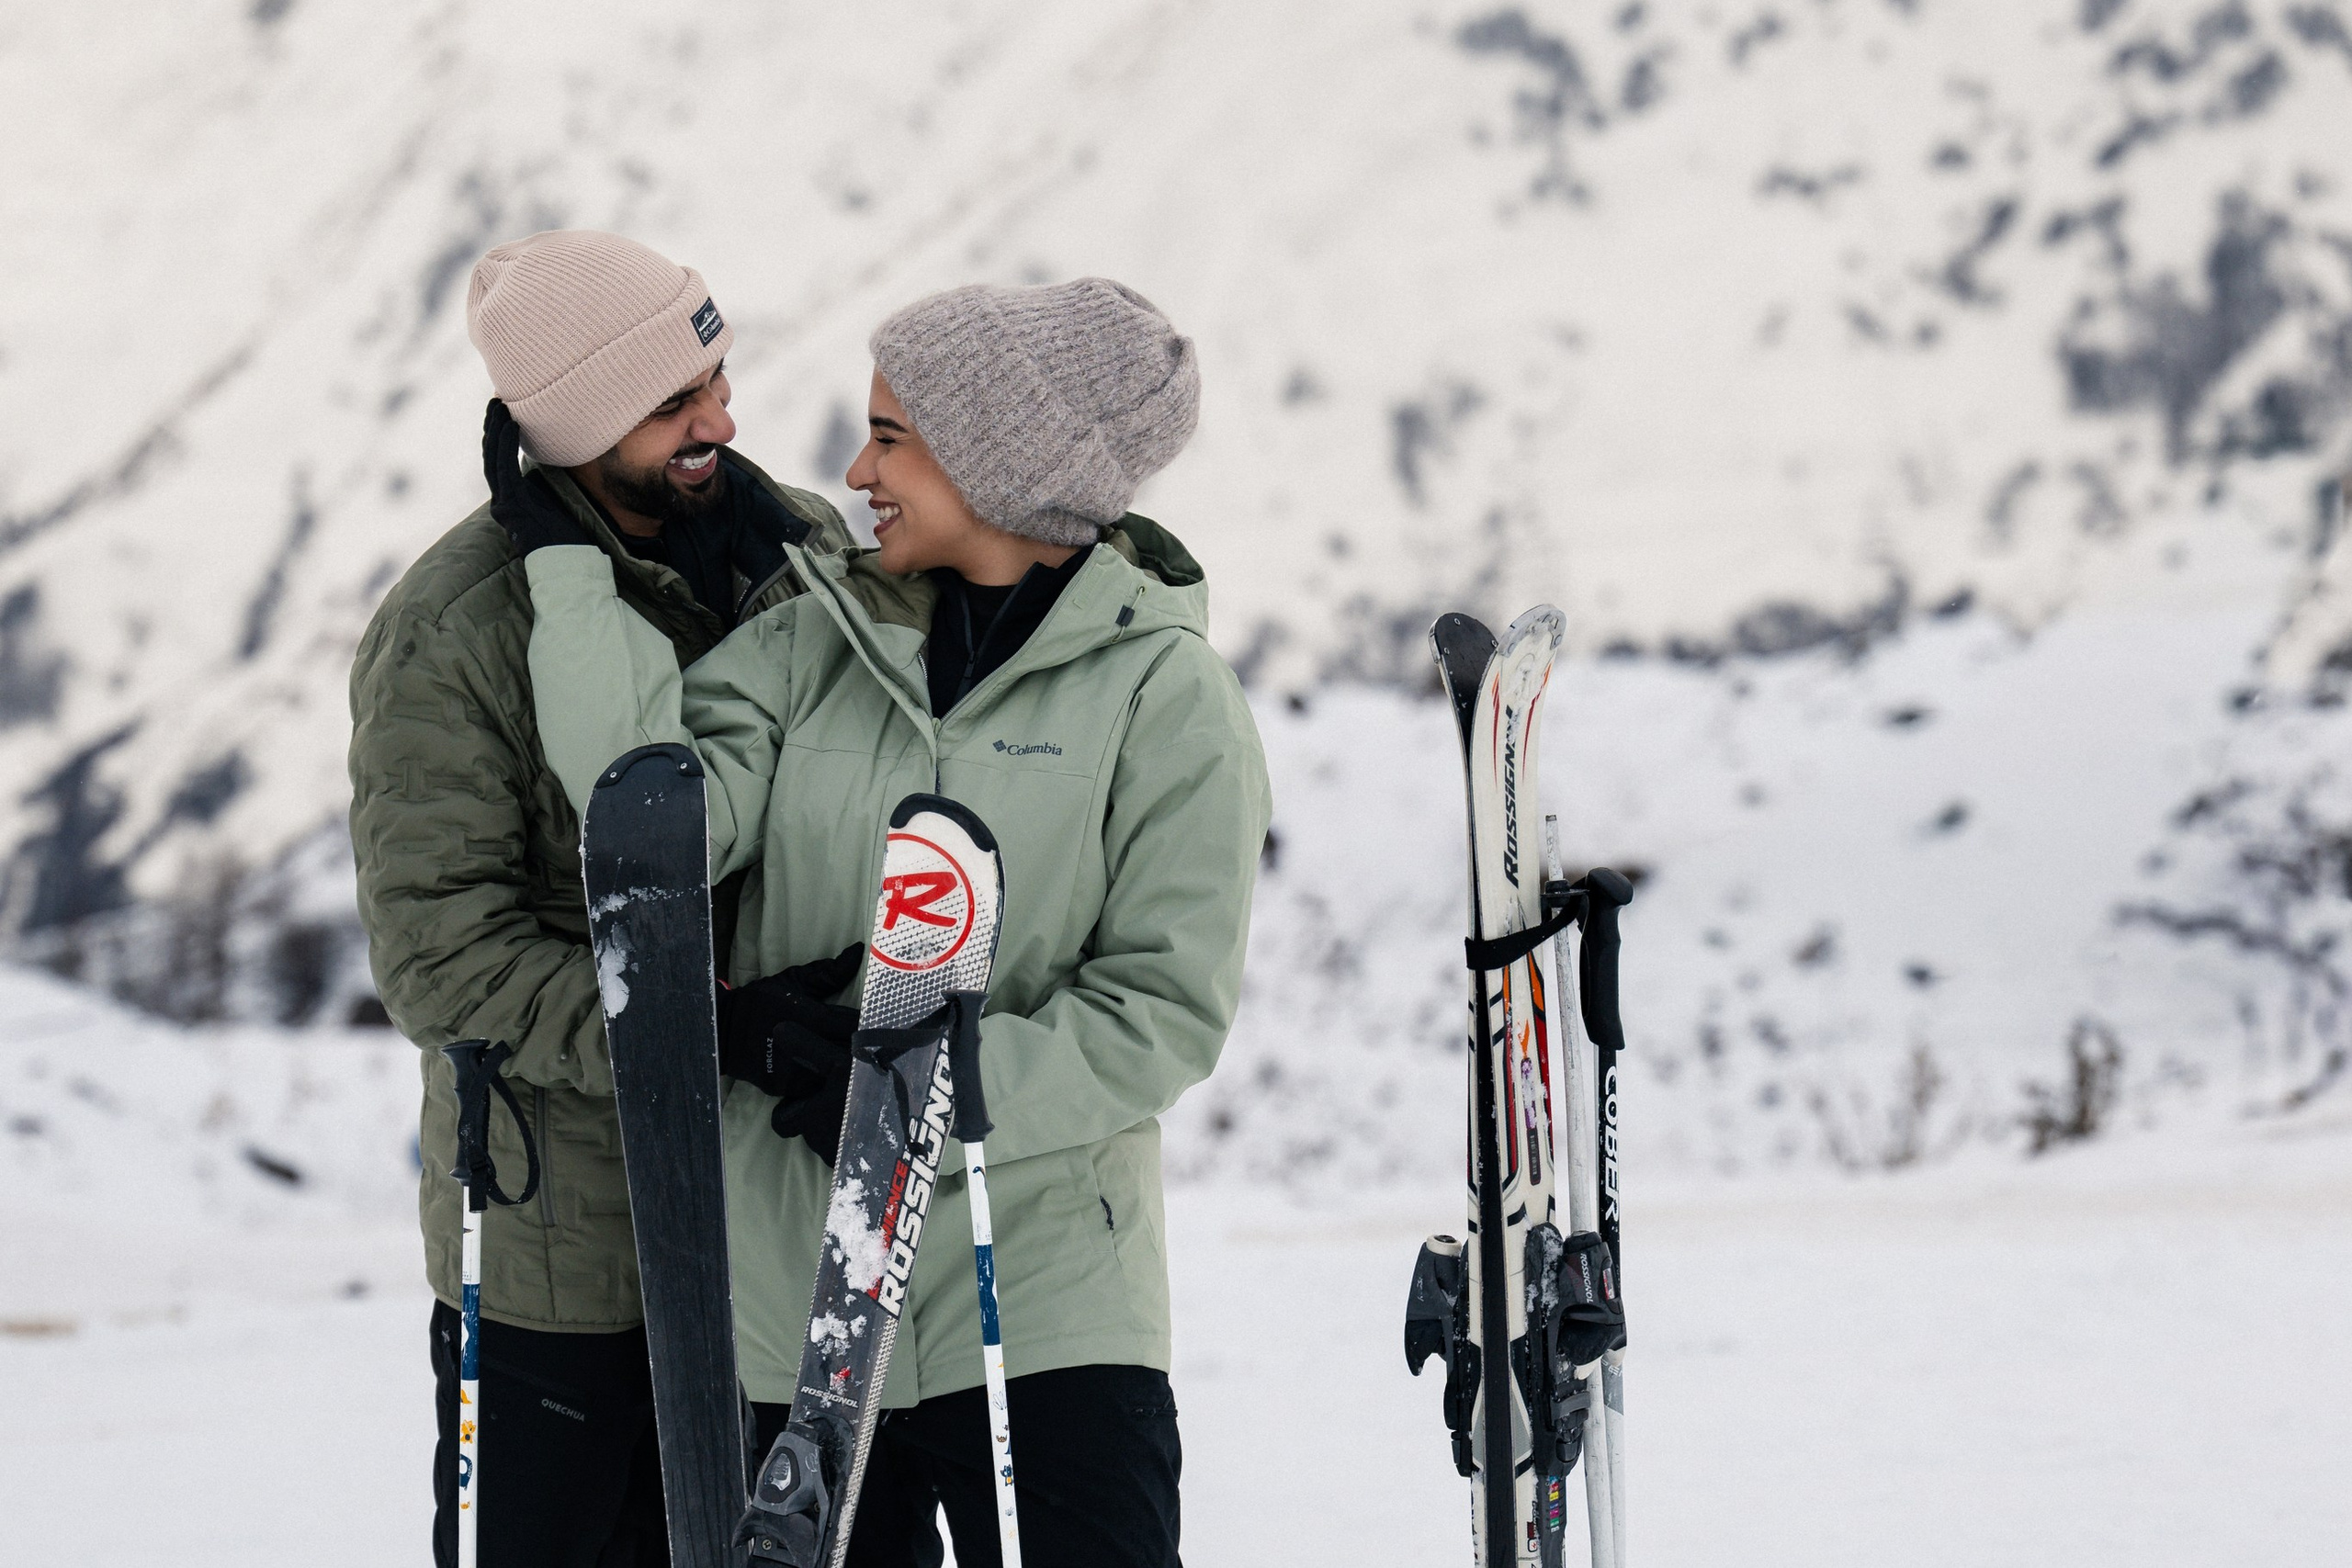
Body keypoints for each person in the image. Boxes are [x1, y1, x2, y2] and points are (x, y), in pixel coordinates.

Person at [500, 277, 1272, 1567]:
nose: (855, 472)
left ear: (999, 464)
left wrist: (926, 1088)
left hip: (1043, 1300)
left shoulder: (1168, 698)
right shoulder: (809, 652)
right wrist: (570, 571)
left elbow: (1162, 1009)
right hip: (792, 1304)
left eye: (893, 438)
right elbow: (650, 828)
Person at [347, 229, 854, 1568]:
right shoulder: (455, 631)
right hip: (559, 1261)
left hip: (779, 1222)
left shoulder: (797, 553)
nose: (721, 420)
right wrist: (698, 1027)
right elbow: (443, 958)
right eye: (673, 403)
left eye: (720, 378)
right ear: (574, 421)